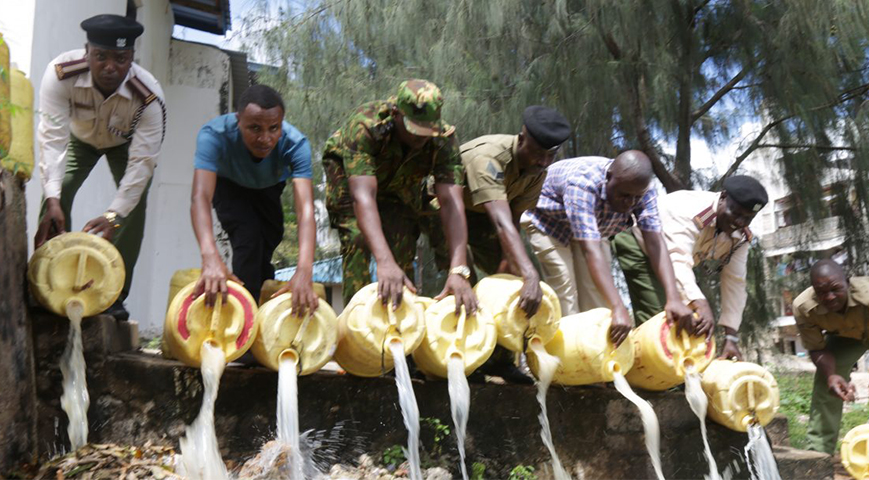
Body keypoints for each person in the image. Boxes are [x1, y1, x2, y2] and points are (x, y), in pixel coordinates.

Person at [34, 14, 166, 320]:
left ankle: (114, 296)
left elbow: (142, 163)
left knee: (133, 206)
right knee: (59, 189)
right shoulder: (60, 74)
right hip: (80, 139)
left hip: (124, 146)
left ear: (132, 57)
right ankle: (44, 282)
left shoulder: (149, 95)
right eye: (100, 56)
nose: (110, 67)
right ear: (86, 52)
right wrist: (52, 198)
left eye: (120, 58)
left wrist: (113, 216)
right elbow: (52, 140)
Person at [323, 79, 477, 315]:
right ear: (396, 114)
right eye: (416, 130)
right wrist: (383, 261)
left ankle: (403, 325)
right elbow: (364, 197)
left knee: (403, 248)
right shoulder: (366, 125)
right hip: (350, 178)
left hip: (400, 183)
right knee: (357, 237)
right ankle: (357, 326)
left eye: (428, 131)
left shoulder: (443, 140)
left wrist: (458, 269)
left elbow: (451, 203)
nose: (422, 138)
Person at [523, 151, 694, 346]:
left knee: (597, 297)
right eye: (623, 195)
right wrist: (618, 306)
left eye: (635, 198)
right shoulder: (583, 183)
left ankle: (595, 358)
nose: (629, 203)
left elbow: (655, 242)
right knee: (564, 289)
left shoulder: (643, 190)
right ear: (609, 178)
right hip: (548, 222)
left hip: (595, 228)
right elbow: (591, 250)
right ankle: (564, 361)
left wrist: (673, 298)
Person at [190, 85, 318, 315]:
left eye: (273, 128)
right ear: (238, 120)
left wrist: (304, 270)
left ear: (282, 123)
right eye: (255, 128)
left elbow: (306, 210)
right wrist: (209, 257)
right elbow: (200, 196)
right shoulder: (214, 135)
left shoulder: (296, 144)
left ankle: (262, 313)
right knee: (247, 238)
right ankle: (242, 324)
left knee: (270, 237)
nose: (265, 138)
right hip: (229, 184)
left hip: (269, 185)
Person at [611, 176, 769, 359]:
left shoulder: (740, 237)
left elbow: (735, 283)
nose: (740, 222)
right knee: (660, 319)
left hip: (673, 263)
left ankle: (679, 374)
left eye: (748, 218)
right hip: (639, 243)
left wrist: (731, 337)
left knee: (689, 321)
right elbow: (677, 258)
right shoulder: (688, 210)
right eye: (737, 213)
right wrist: (699, 302)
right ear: (723, 197)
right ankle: (650, 375)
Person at [459, 106, 571, 316]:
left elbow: (513, 217)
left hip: (483, 215)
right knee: (462, 279)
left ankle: (503, 344)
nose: (544, 162)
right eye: (538, 153)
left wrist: (507, 261)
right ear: (521, 140)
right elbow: (501, 221)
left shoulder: (536, 171)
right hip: (443, 211)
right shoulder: (489, 157)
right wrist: (530, 274)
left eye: (551, 155)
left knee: (511, 282)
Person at [794, 259, 869, 454]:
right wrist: (831, 375)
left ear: (847, 282)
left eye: (836, 289)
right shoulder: (804, 306)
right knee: (826, 383)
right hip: (846, 338)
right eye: (822, 292)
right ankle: (818, 454)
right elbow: (816, 347)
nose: (829, 297)